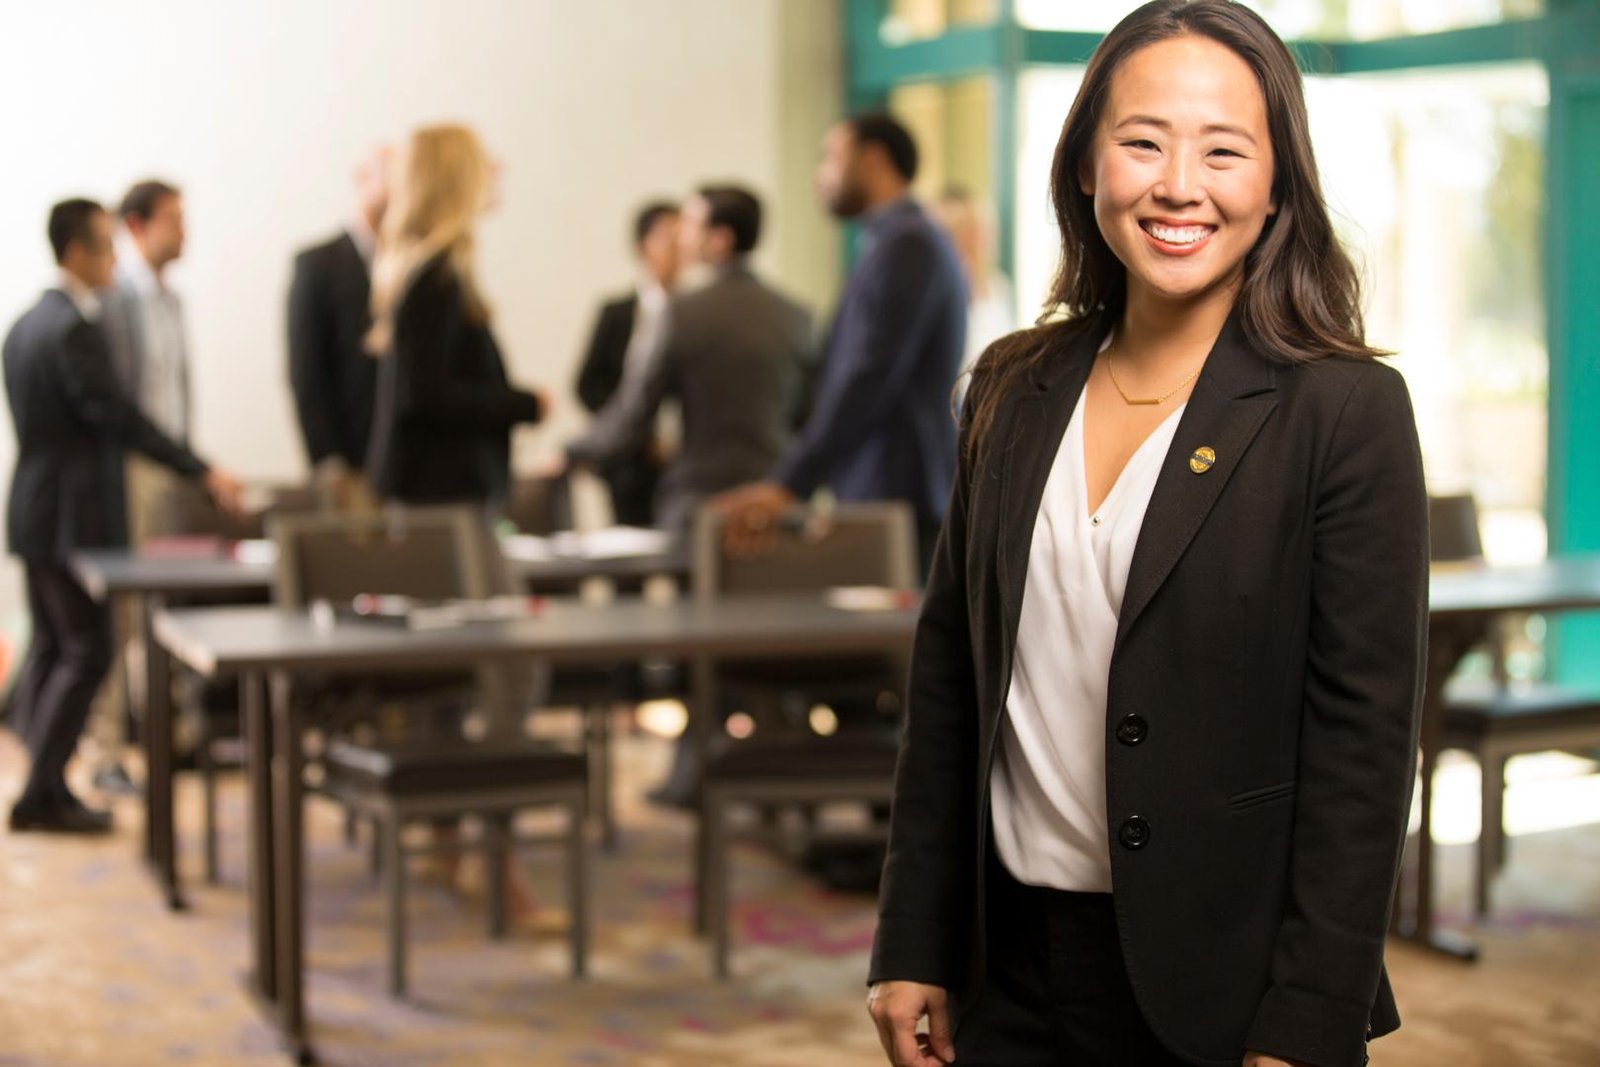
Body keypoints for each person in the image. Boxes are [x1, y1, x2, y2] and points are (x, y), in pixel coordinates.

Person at [865, 3, 1427, 1067]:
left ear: (1276, 184)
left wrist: (1310, 1014)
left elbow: (1364, 747)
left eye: (1224, 149)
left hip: (1223, 976)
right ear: (1086, 165)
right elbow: (949, 683)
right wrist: (910, 935)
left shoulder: (1343, 411)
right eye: (1142, 142)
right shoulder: (1009, 387)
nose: (1179, 185)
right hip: (1006, 966)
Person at [4, 199, 242, 833]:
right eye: (107, 247)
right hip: (69, 515)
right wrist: (199, 467)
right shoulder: (74, 329)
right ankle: (40, 792)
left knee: (57, 649)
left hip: (34, 509)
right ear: (78, 253)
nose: (114, 259)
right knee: (89, 649)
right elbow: (120, 417)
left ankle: (45, 782)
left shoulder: (27, 322)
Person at [715, 113, 967, 576]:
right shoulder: (890, 242)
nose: (820, 175)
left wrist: (790, 482)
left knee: (894, 645)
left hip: (899, 495)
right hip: (883, 489)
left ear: (872, 160)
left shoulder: (909, 245)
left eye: (831, 157)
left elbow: (868, 377)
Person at [564, 185, 812, 533]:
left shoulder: (679, 314)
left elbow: (633, 415)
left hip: (699, 506)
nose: (682, 237)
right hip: (776, 504)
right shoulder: (797, 317)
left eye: (691, 226)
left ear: (720, 239)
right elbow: (808, 416)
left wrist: (571, 451)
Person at [364, 124, 547, 507]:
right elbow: (426, 396)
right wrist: (523, 404)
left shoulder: (430, 271)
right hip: (443, 494)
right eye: (484, 163)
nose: (497, 170)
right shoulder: (436, 278)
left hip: (439, 491)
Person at [287, 146, 390, 509]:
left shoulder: (406, 263)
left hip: (400, 462)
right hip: (349, 458)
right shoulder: (318, 263)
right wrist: (326, 457)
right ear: (364, 181)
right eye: (388, 175)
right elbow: (305, 367)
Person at [572, 201, 681, 526]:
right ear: (642, 247)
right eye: (666, 237)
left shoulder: (697, 316)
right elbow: (587, 385)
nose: (677, 247)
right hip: (628, 464)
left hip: (681, 466)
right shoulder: (617, 313)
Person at [101, 180, 194, 543]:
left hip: (173, 459)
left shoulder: (172, 301)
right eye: (172, 220)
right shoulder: (112, 298)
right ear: (137, 226)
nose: (183, 232)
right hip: (135, 465)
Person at [931, 185, 1016, 381]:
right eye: (967, 231)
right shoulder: (946, 294)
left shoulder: (999, 289)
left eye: (982, 231)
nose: (977, 240)